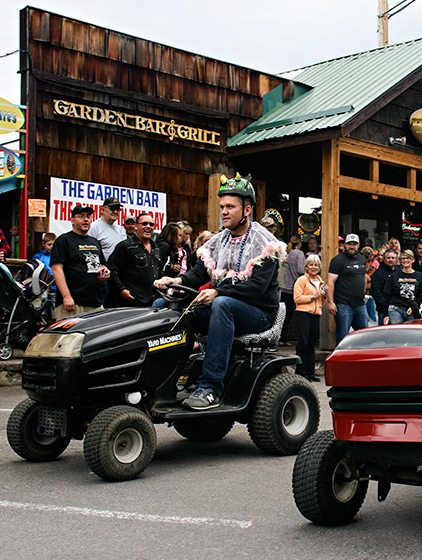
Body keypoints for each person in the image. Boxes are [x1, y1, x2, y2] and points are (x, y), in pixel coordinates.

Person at [156, 174, 286, 410]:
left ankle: (210, 387)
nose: (224, 212)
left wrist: (217, 291)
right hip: (224, 310)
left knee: (222, 303)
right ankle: (166, 378)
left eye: (230, 207)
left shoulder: (265, 243)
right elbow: (198, 274)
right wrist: (175, 280)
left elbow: (256, 287)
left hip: (258, 314)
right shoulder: (218, 241)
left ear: (247, 210)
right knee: (164, 307)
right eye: (222, 207)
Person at [51, 205, 110, 320]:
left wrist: (103, 273)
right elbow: (56, 269)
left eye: (88, 217)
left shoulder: (95, 242)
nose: (86, 219)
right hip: (72, 303)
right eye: (81, 216)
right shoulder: (63, 240)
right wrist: (66, 296)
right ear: (72, 220)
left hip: (95, 302)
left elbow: (101, 265)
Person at [108, 213, 162, 307]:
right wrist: (121, 289)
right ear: (136, 226)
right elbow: (111, 269)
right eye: (144, 224)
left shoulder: (156, 248)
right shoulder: (125, 246)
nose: (148, 226)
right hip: (131, 302)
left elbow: (159, 271)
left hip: (152, 302)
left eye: (151, 224)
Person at [328, 233, 369, 345]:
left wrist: (363, 294)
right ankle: (341, 356)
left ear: (358, 245)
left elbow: (364, 277)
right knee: (342, 337)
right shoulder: (337, 260)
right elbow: (331, 282)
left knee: (364, 336)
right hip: (343, 304)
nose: (352, 246)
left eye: (354, 244)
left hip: (360, 304)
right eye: (349, 244)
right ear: (345, 245)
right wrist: (331, 302)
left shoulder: (362, 259)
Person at [293, 254, 326, 382]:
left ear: (319, 267)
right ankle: (301, 372)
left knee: (312, 344)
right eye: (311, 265)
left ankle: (311, 372)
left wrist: (324, 296)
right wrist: (313, 296)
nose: (313, 267)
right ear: (306, 266)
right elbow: (297, 299)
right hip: (303, 313)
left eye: (316, 265)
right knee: (303, 343)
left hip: (316, 314)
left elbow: (321, 302)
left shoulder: (321, 282)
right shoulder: (301, 280)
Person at [381, 250, 422, 324]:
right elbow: (387, 295)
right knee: (397, 330)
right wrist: (385, 314)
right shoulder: (393, 276)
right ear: (400, 261)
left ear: (413, 260)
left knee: (410, 330)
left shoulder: (420, 276)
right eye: (403, 258)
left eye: (408, 258)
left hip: (411, 310)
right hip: (395, 309)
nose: (405, 260)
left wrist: (415, 307)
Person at [280, 235, 305, 346]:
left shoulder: (287, 254)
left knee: (284, 314)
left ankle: (282, 338)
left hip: (285, 286)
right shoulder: (299, 254)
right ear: (299, 243)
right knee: (298, 313)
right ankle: (298, 339)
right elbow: (300, 269)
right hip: (295, 287)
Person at [89, 197, 126, 261]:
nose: (115, 212)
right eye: (112, 208)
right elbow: (90, 252)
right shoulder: (94, 227)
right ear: (103, 210)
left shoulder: (121, 229)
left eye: (117, 209)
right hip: (104, 266)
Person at [369, 249, 398, 323]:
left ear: (396, 259)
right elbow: (375, 292)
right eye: (388, 258)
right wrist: (385, 305)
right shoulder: (378, 273)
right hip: (383, 311)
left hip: (399, 309)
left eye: (393, 258)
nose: (390, 260)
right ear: (384, 259)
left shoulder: (400, 272)